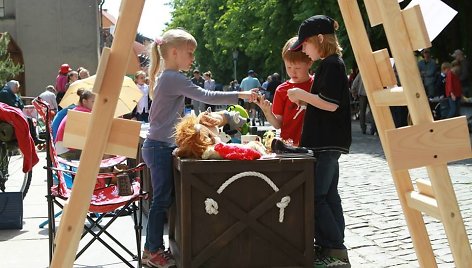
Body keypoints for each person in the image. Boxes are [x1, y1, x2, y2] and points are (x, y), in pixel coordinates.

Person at [142, 28, 257, 268]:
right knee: (161, 200)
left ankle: (160, 247)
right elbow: (206, 94)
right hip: (159, 147)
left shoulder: (168, 76)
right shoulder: (172, 77)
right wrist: (241, 95)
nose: (193, 58)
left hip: (160, 145)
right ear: (174, 52)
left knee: (166, 198)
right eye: (190, 53)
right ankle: (152, 250)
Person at [287, 15, 351, 267]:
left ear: (320, 40)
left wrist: (303, 94)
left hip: (326, 143)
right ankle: (334, 245)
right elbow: (327, 102)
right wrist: (307, 103)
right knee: (329, 194)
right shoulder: (331, 64)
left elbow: (332, 105)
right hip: (327, 142)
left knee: (316, 196)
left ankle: (333, 246)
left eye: (305, 44)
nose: (303, 49)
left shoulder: (332, 64)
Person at [256, 36, 313, 146]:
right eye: (288, 67)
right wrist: (267, 112)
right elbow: (278, 124)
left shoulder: (317, 84)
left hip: (314, 144)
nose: (293, 72)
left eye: (297, 68)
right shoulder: (282, 90)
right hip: (289, 145)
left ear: (309, 62)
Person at [55, 88, 95, 160]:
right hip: (68, 149)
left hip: (62, 147)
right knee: (100, 152)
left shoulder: (78, 110)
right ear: (84, 101)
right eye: (93, 101)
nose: (96, 104)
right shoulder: (84, 113)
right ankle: (105, 170)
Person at [0, 80, 44, 144]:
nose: (17, 89)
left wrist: (17, 103)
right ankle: (33, 138)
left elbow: (21, 105)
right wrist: (17, 104)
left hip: (13, 114)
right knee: (28, 119)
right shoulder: (5, 93)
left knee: (29, 119)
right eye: (17, 87)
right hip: (7, 115)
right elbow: (14, 105)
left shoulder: (12, 93)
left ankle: (33, 138)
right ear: (13, 86)